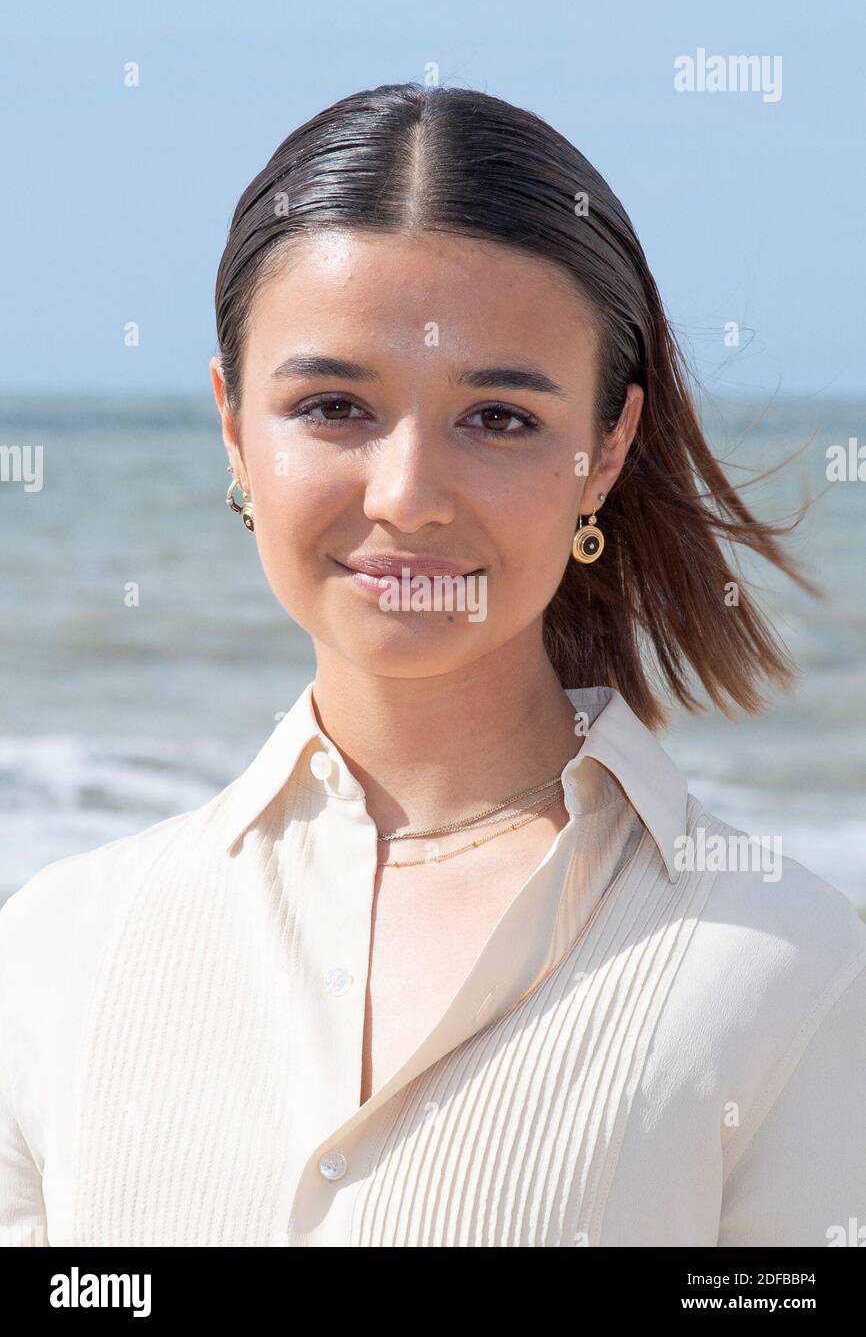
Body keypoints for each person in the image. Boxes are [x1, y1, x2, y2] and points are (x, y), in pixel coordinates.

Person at [1, 83, 863, 1248]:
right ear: (231, 426)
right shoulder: (55, 953)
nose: (406, 495)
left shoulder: (792, 967)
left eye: (499, 416)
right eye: (333, 405)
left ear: (604, 450)